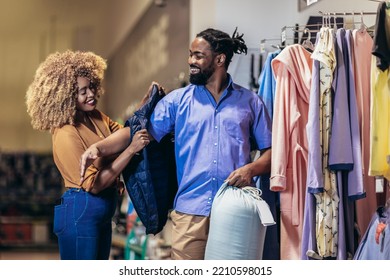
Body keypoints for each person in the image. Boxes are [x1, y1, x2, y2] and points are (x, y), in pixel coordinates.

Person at [80, 28, 272, 260]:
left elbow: (271, 152)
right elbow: (136, 133)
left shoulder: (251, 103)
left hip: (235, 210)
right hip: (190, 212)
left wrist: (250, 169)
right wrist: (98, 148)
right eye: (190, 54)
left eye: (198, 55)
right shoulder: (177, 102)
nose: (191, 60)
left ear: (220, 59)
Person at [25, 50, 150, 260]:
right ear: (65, 95)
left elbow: (125, 134)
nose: (91, 94)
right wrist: (130, 151)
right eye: (83, 91)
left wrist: (141, 110)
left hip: (99, 213)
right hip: (80, 213)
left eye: (91, 87)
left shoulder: (94, 116)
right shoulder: (65, 132)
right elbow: (95, 184)